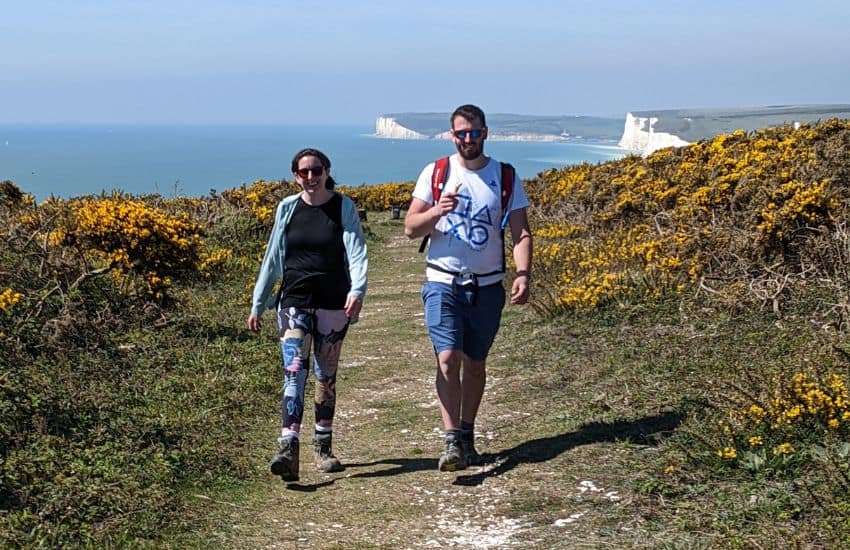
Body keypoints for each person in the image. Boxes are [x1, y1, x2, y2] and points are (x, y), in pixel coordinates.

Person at [404, 104, 533, 471]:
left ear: (485, 133)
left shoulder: (505, 176)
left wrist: (523, 273)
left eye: (474, 132)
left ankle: (466, 434)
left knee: (475, 364)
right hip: (442, 281)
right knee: (447, 359)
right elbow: (411, 227)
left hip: (487, 287)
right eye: (461, 133)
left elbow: (521, 232)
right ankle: (451, 442)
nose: (468, 139)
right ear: (452, 135)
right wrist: (437, 211)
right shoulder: (436, 172)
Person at [248, 148, 368, 482]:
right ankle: (288, 447)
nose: (311, 177)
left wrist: (357, 291)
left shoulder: (343, 206)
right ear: (295, 176)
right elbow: (273, 257)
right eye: (304, 172)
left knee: (325, 375)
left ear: (327, 172)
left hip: (333, 302)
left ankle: (323, 447)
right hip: (294, 301)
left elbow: (356, 251)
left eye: (317, 170)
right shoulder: (287, 208)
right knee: (294, 372)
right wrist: (258, 303)